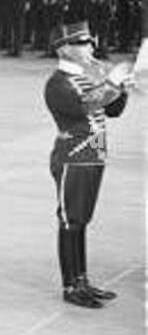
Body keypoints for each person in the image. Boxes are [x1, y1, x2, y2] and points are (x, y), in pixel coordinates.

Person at [43, 22, 134, 308]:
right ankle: (71, 285)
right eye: (82, 43)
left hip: (93, 154)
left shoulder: (89, 76)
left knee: (82, 220)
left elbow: (113, 110)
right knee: (71, 221)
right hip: (73, 156)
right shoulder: (58, 83)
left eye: (89, 42)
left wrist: (122, 88)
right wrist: (111, 82)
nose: (90, 47)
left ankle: (82, 280)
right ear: (65, 50)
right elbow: (85, 106)